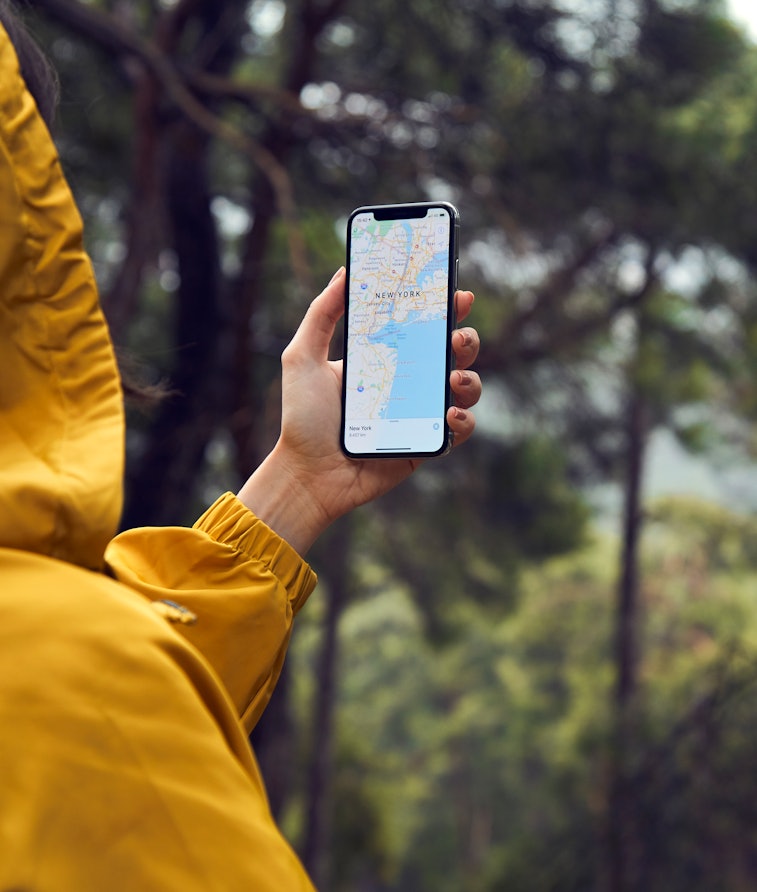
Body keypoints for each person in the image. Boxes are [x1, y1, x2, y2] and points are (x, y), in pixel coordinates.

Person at [0, 4, 482, 890]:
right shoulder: (68, 694)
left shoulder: (77, 677)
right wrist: (109, 682)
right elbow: (102, 718)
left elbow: (140, 681)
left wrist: (297, 480)